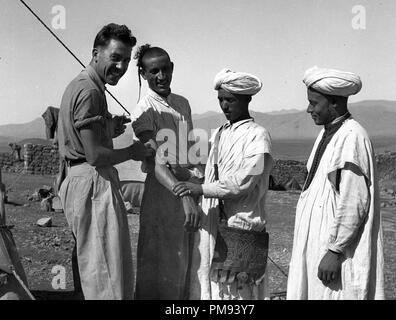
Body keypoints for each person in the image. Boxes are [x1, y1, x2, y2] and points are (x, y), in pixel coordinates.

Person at [57, 23, 154, 300]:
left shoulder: (83, 85)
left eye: (125, 60)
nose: (121, 66)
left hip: (79, 181)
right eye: (115, 58)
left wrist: (108, 128)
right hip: (92, 185)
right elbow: (95, 155)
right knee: (106, 277)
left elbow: (76, 138)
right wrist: (133, 152)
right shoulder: (90, 91)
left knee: (95, 270)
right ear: (96, 53)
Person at [172, 68, 274, 300]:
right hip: (214, 223)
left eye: (230, 100)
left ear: (246, 99)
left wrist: (201, 189)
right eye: (220, 100)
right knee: (215, 289)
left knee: (240, 290)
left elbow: (243, 183)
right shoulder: (218, 133)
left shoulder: (258, 136)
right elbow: (209, 174)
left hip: (242, 224)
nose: (225, 106)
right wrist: (184, 174)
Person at [286, 66, 384, 300]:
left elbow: (354, 201)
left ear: (335, 103)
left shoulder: (352, 137)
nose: (309, 109)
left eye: (314, 103)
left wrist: (334, 250)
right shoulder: (327, 133)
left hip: (335, 251)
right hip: (317, 242)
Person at [131, 44, 203, 300]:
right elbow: (155, 161)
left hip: (185, 186)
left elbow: (192, 148)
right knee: (160, 262)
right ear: (143, 74)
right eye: (154, 72)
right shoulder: (143, 110)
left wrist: (199, 180)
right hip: (162, 193)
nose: (161, 76)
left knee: (184, 261)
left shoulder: (182, 104)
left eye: (165, 69)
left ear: (172, 68)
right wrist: (183, 194)